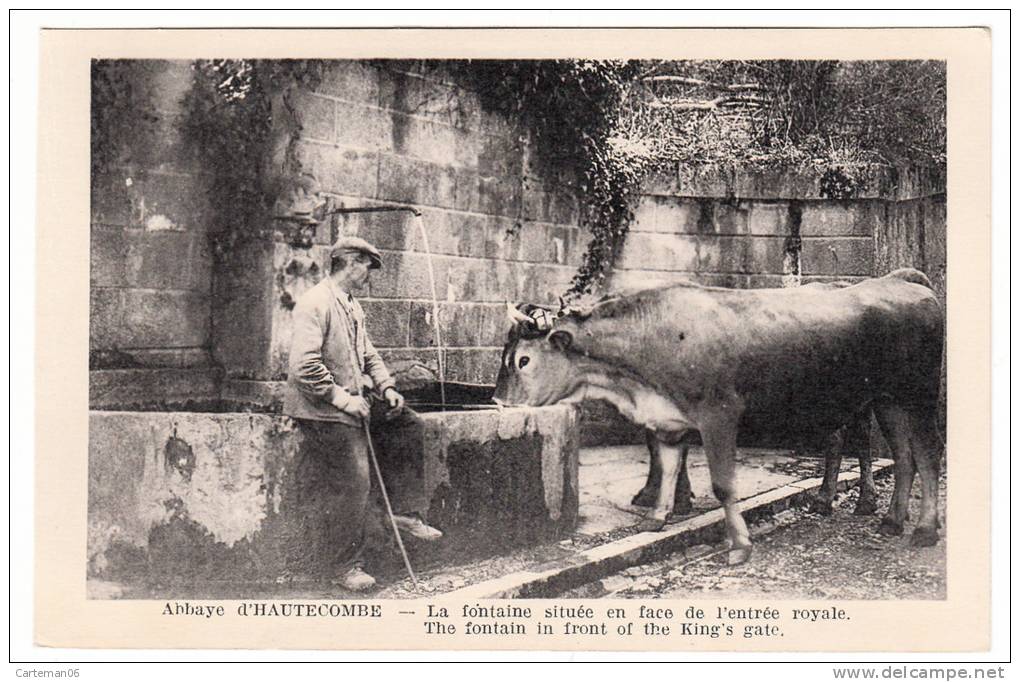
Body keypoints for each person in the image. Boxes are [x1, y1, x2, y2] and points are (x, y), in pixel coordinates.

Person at [283, 236, 441, 591]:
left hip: (354, 400)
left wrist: (386, 387)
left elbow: (367, 353)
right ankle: (345, 566)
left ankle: (403, 513)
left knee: (407, 425)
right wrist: (343, 399)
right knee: (355, 478)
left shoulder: (352, 305)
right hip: (320, 411)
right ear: (351, 262)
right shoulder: (315, 304)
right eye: (367, 266)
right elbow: (304, 367)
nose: (369, 274)